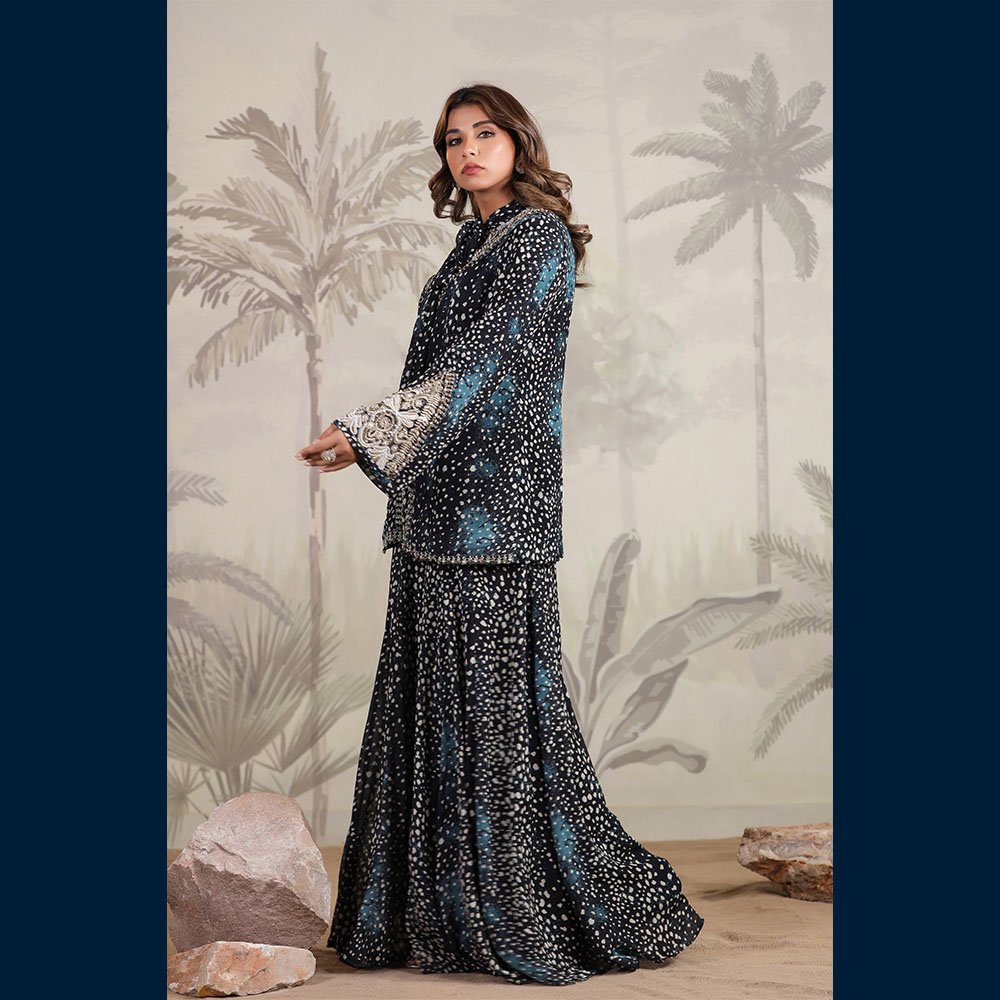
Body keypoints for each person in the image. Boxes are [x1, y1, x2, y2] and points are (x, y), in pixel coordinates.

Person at [295, 84, 705, 986]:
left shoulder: (536, 240)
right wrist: (374, 442)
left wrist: (366, 433)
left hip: (496, 517)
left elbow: (490, 363)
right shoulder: (470, 245)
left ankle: (516, 910)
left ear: (519, 142)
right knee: (432, 714)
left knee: (498, 721)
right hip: (436, 510)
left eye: (485, 133)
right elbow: (447, 369)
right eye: (453, 140)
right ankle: (432, 917)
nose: (469, 150)